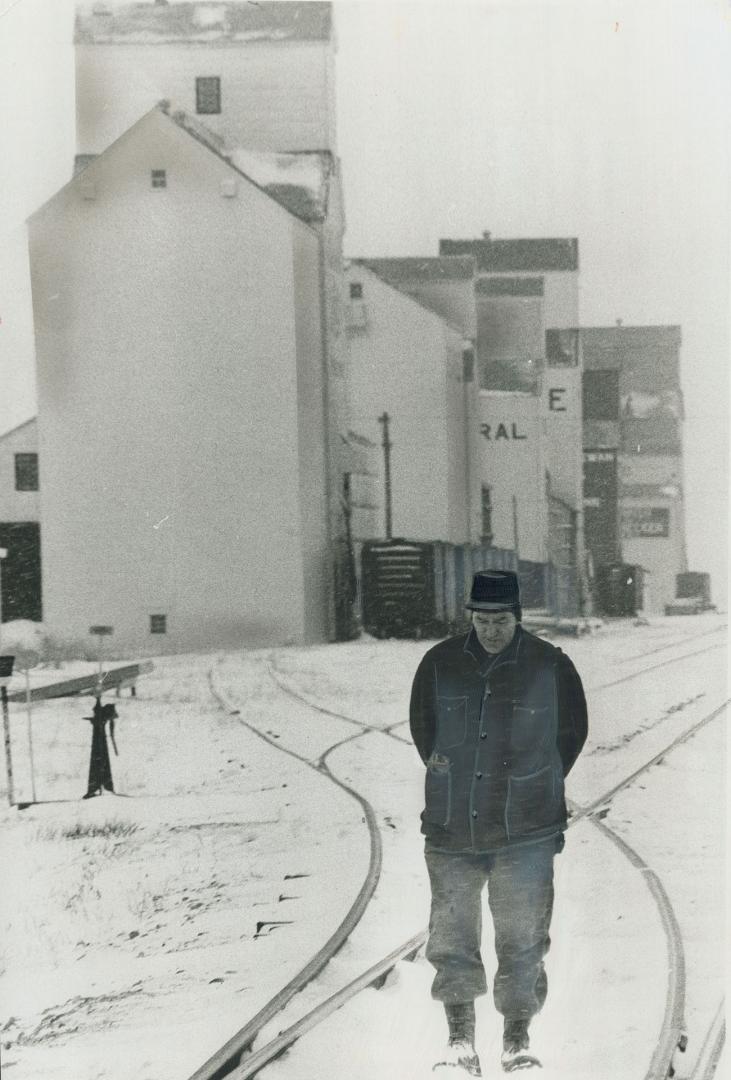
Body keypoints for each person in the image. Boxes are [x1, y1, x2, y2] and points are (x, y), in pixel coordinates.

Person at [409, 570, 587, 1075]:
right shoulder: (439, 663)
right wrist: (456, 777)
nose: (490, 630)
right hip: (452, 827)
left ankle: (516, 1039)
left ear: (517, 618)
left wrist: (533, 785)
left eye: (500, 620)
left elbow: (570, 736)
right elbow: (426, 732)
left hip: (526, 833)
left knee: (524, 937)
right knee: (452, 935)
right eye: (482, 620)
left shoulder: (551, 665)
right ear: (471, 617)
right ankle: (459, 1040)